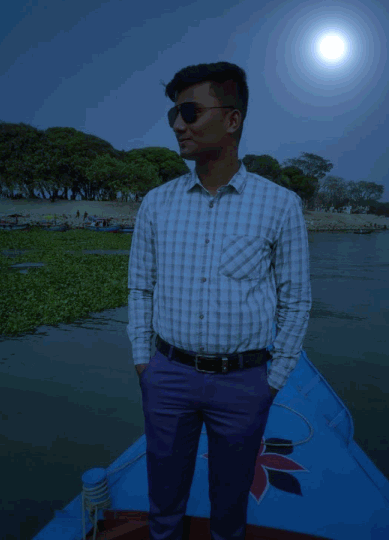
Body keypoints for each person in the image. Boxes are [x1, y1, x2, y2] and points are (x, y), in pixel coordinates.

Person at [127, 61, 312, 540]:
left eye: (189, 112)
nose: (177, 124)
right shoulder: (156, 203)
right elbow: (140, 288)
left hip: (244, 382)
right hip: (168, 375)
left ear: (232, 119)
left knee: (230, 501)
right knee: (163, 494)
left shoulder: (280, 205)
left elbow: (296, 301)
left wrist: (272, 380)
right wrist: (145, 364)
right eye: (173, 114)